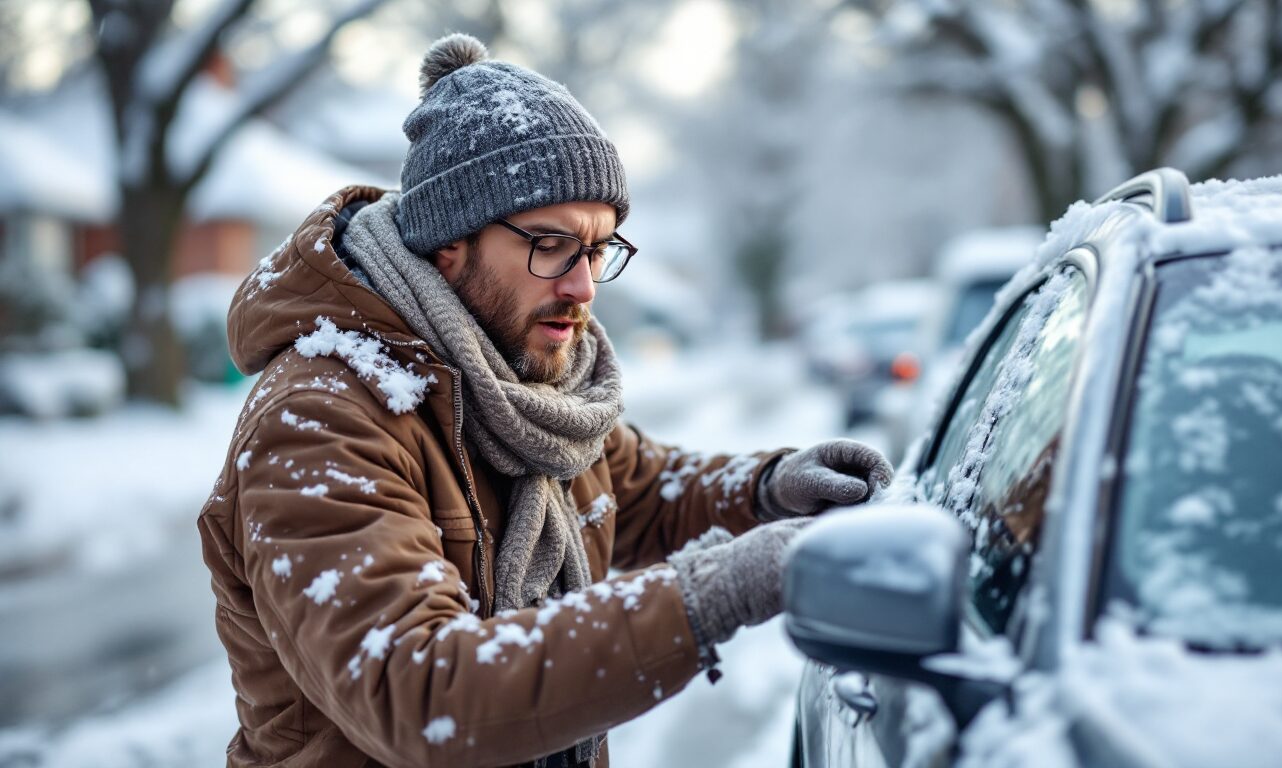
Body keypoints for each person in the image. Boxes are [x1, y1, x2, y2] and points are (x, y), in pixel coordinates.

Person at [198, 32, 893, 768]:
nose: (583, 286)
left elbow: (638, 489)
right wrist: (714, 594)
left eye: (598, 249)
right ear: (448, 244)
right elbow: (423, 694)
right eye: (551, 244)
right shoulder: (320, 420)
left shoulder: (524, 388)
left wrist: (769, 488)